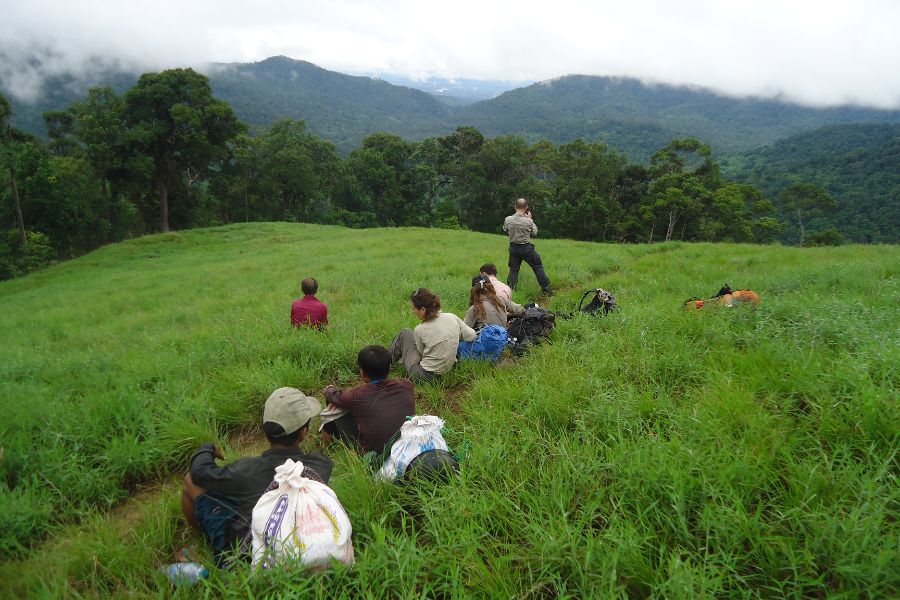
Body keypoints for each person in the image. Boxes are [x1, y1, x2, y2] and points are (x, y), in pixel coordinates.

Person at [181, 388, 332, 563]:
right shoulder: (321, 465)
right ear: (304, 432)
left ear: (266, 431)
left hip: (246, 552)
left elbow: (199, 473)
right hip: (303, 541)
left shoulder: (245, 469)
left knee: (190, 481)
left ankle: (203, 543)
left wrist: (206, 449)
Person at [321, 345, 415, 455]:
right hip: (409, 448)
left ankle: (326, 451)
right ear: (389, 368)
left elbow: (332, 395)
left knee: (333, 410)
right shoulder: (406, 384)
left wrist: (329, 388)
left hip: (375, 457)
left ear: (363, 373)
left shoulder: (357, 395)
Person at [390, 288, 476, 382]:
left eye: (413, 308)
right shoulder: (452, 317)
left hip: (424, 375)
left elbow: (421, 353)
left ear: (423, 310)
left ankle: (384, 365)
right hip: (449, 371)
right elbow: (472, 335)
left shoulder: (419, 329)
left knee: (405, 333)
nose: (412, 311)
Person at [503, 198, 552, 295]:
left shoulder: (508, 219)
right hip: (526, 248)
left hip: (513, 248)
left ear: (515, 206)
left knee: (513, 270)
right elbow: (535, 232)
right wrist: (530, 219)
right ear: (526, 208)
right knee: (537, 267)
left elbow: (505, 229)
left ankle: (509, 291)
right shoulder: (528, 221)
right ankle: (547, 289)